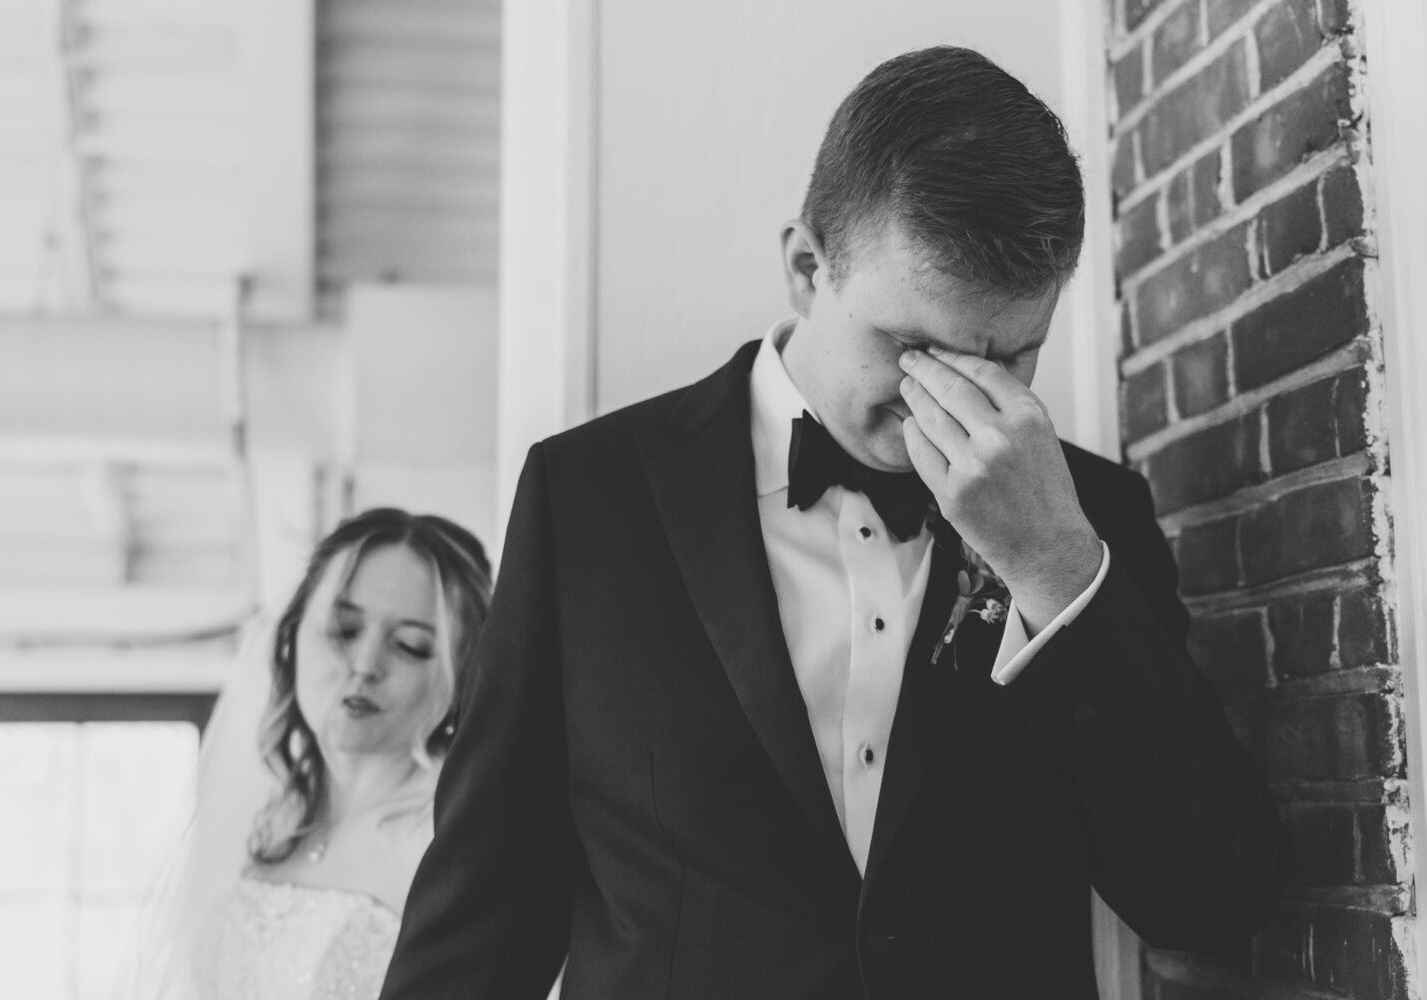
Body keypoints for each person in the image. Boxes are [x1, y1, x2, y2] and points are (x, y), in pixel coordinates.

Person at [381, 47, 1283, 999]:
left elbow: (1210, 902)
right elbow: (484, 912)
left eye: (1014, 357)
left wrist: (1055, 570)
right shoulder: (589, 500)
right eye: (914, 346)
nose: (956, 397)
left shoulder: (1091, 524)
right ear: (808, 268)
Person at [130, 508, 492, 1000]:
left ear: (459, 674)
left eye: (409, 645)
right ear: (292, 635)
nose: (364, 665)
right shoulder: (265, 812)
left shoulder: (453, 842)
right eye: (343, 630)